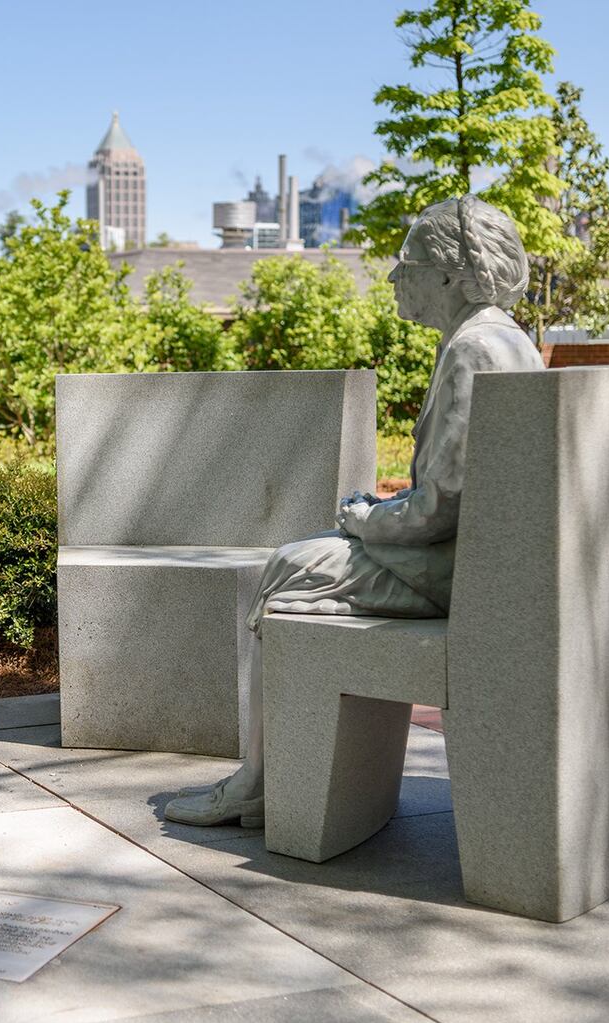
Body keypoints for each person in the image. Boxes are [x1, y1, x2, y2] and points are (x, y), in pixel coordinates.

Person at [165, 195, 544, 827]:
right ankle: (271, 776)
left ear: (452, 274)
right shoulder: (505, 340)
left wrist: (364, 519)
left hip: (462, 576)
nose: (396, 276)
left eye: (409, 261)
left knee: (285, 569)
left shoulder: (475, 350)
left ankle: (258, 784)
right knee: (300, 560)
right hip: (492, 562)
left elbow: (438, 511)